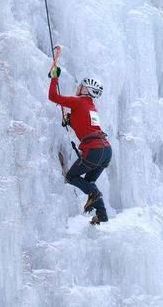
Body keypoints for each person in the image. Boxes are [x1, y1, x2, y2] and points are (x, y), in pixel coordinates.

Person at [48, 66, 112, 225]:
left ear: (86, 90)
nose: (78, 87)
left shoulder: (79, 102)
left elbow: (53, 96)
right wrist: (69, 120)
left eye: (81, 85)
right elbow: (84, 124)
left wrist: (54, 77)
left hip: (94, 150)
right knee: (89, 182)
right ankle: (102, 214)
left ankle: (94, 195)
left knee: (71, 177)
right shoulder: (91, 107)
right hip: (106, 151)